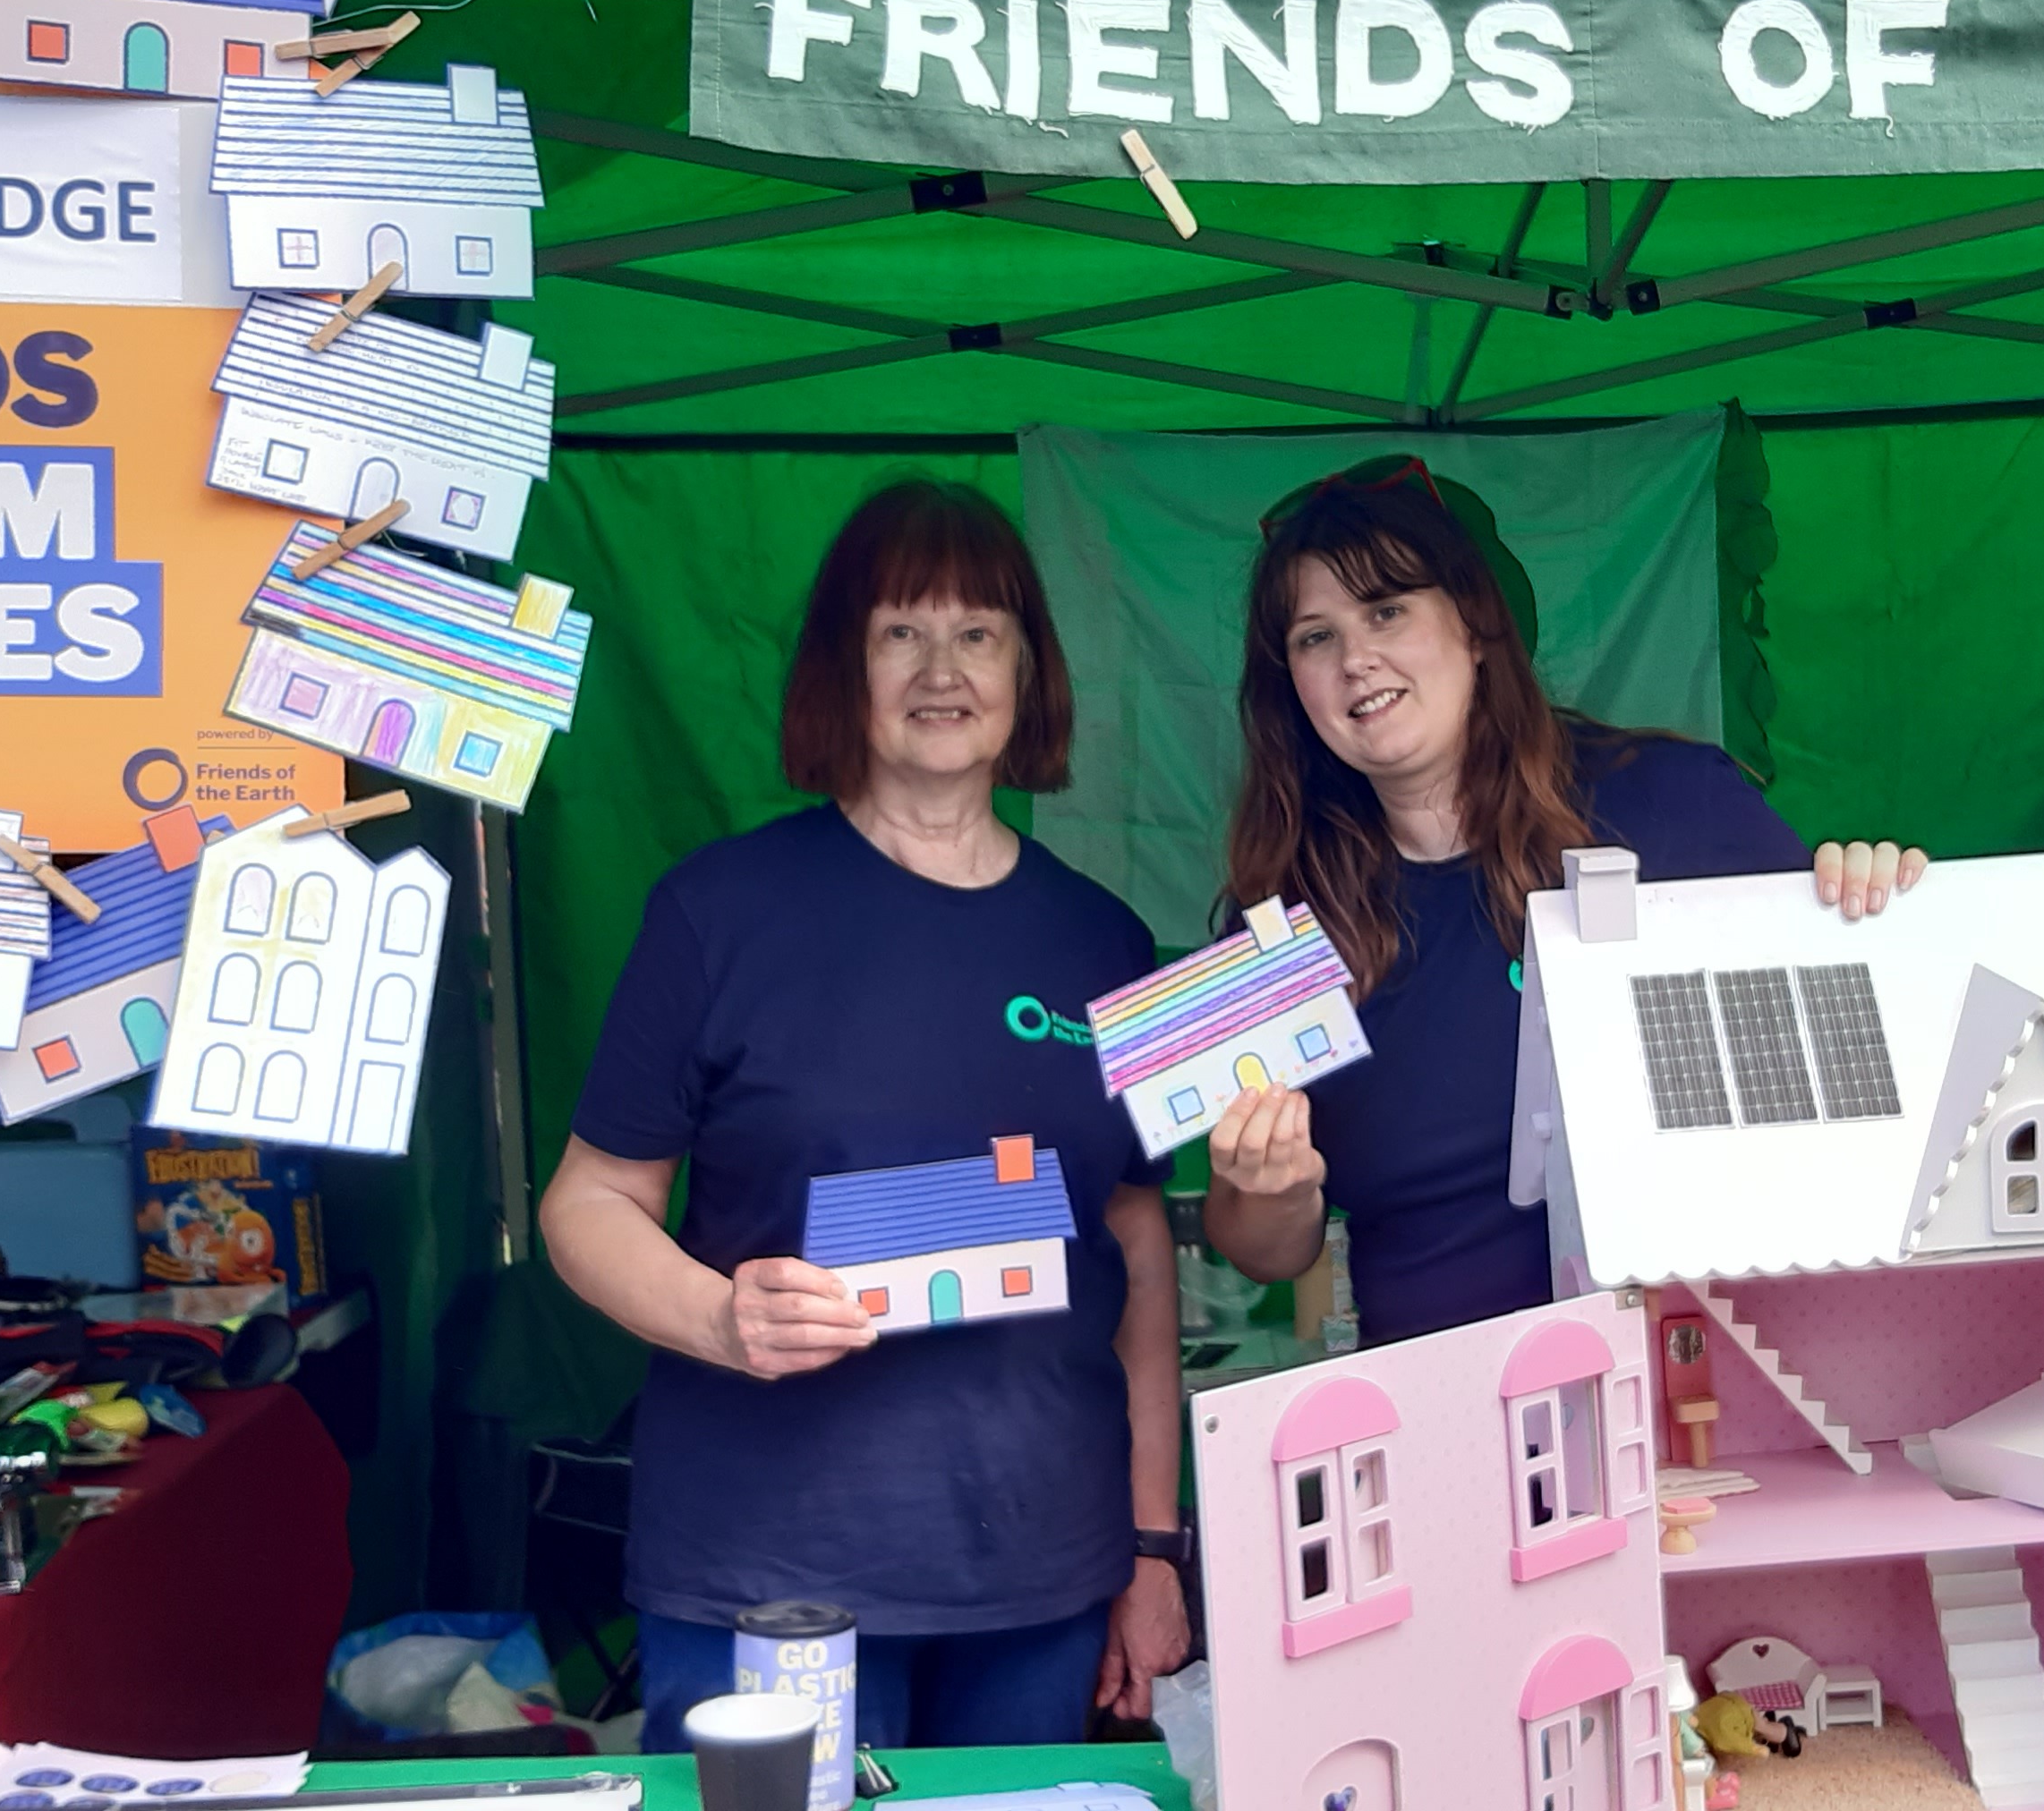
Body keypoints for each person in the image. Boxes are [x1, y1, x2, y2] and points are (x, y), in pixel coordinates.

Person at [540, 481, 1188, 1748]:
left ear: (1029, 672)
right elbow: (586, 1202)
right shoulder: (717, 914)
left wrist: (1151, 1544)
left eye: (979, 632)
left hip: (1037, 1574)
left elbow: (1139, 1250)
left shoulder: (1104, 941)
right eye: (901, 631)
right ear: (847, 665)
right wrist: (719, 1317)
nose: (941, 669)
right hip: (767, 1571)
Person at [1196, 457, 1921, 1345]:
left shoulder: (1677, 802)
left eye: (1387, 609)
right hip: (1445, 1411)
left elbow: (1866, 1066)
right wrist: (1275, 1186)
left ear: (1476, 624)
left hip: (1714, 1396)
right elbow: (1259, 1248)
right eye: (1315, 636)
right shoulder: (1269, 922)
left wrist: (1865, 901)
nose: (1357, 660)